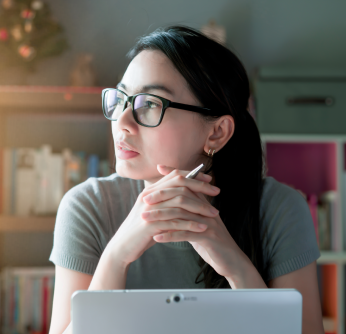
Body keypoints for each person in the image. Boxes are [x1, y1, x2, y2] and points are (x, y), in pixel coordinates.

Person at [49, 26, 324, 334]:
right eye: (122, 99)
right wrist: (117, 256)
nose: (122, 123)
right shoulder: (88, 206)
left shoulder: (280, 209)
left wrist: (234, 263)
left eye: (149, 104)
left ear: (217, 132)